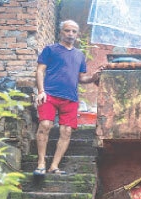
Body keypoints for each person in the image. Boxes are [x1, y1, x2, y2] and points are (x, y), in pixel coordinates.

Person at [34, 20, 96, 176]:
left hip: (70, 98)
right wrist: (41, 91)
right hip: (49, 94)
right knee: (45, 125)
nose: (71, 34)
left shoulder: (79, 55)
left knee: (67, 131)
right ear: (61, 32)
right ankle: (41, 163)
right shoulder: (50, 49)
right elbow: (40, 71)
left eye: (74, 32)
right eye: (68, 31)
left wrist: (94, 77)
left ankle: (54, 166)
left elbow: (81, 78)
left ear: (77, 34)